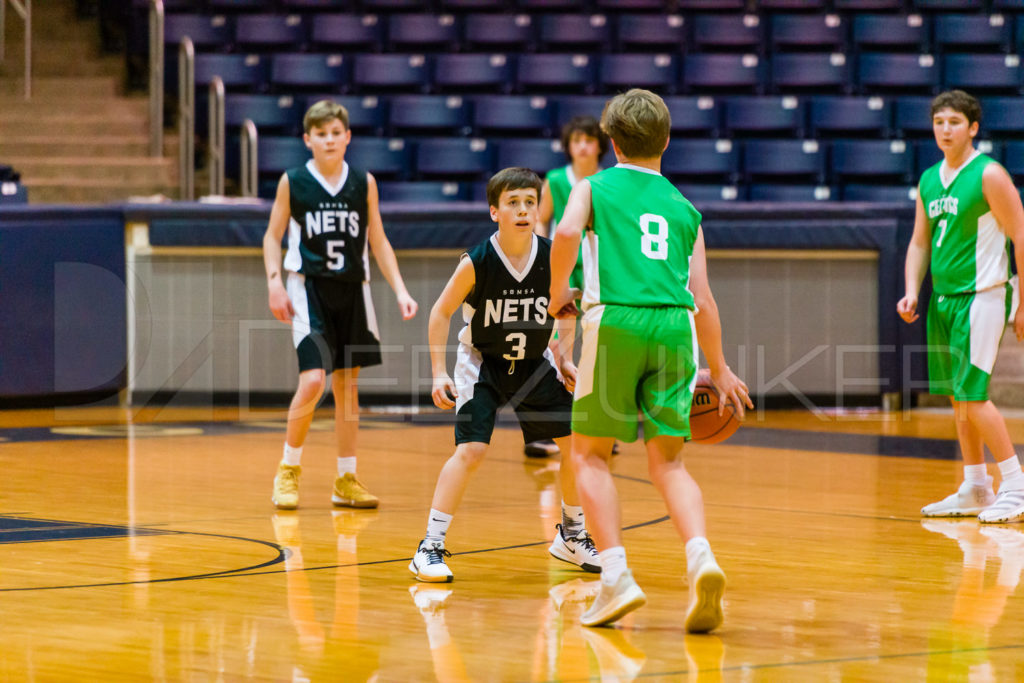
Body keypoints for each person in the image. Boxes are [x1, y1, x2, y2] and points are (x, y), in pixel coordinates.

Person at [548, 89, 753, 632]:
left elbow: (566, 232)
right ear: (666, 141)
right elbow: (704, 299)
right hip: (676, 328)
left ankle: (615, 575)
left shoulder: (592, 186)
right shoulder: (686, 209)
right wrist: (722, 366)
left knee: (589, 456)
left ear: (611, 142)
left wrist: (555, 294)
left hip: (616, 320)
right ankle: (700, 558)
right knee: (670, 463)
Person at [409, 167, 600, 582]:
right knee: (472, 451)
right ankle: (430, 545)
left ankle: (571, 535)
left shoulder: (553, 256)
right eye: (513, 202)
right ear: (494, 211)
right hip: (483, 364)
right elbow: (440, 312)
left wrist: (564, 357)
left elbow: (564, 308)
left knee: (574, 443)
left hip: (534, 364)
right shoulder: (477, 261)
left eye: (530, 202)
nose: (523, 210)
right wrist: (438, 372)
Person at [263, 99, 418, 510]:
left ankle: (346, 479)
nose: (329, 140)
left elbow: (378, 240)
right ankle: (288, 469)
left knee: (347, 388)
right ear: (307, 139)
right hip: (308, 288)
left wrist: (401, 289)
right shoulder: (293, 181)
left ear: (347, 137)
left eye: (336, 133)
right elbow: (271, 236)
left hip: (353, 289)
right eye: (321, 134)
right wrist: (274, 283)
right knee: (313, 381)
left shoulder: (363, 182)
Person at [897, 89, 1024, 524]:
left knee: (974, 397)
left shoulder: (989, 174)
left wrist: (1023, 300)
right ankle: (975, 485)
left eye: (954, 122)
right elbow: (919, 240)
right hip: (944, 299)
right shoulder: (930, 179)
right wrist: (913, 289)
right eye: (939, 122)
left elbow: (1020, 233)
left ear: (972, 128)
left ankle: (1016, 484)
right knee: (956, 397)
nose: (945, 129)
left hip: (983, 295)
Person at [525, 116, 610, 460]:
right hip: (563, 271)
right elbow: (540, 219)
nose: (584, 146)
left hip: (597, 273)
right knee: (556, 352)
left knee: (597, 349)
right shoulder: (556, 180)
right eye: (577, 139)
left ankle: (597, 425)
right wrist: (541, 261)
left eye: (590, 139)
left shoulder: (607, 182)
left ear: (600, 145)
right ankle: (546, 428)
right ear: (569, 145)